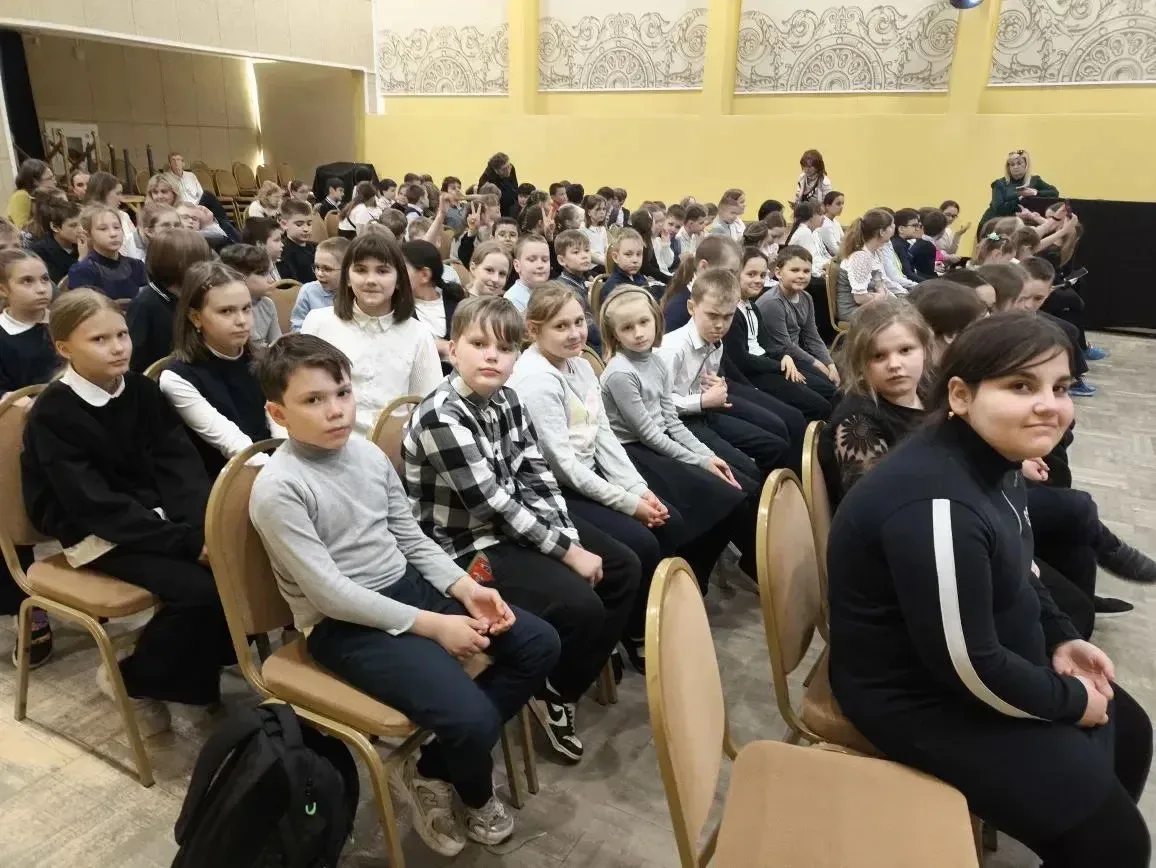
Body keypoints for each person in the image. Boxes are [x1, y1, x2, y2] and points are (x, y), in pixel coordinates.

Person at [828, 312, 1151, 868]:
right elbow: (967, 667)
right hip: (916, 696)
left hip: (969, 658)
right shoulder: (936, 504)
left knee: (1130, 734)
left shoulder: (995, 457)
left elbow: (1022, 564)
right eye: (1021, 386)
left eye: (1060, 387)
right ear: (960, 394)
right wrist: (1072, 702)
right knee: (1116, 842)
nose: (1049, 405)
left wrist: (1061, 636)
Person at [249, 334, 557, 856]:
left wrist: (466, 589)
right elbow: (330, 595)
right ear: (278, 413)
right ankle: (473, 791)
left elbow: (410, 538)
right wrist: (435, 626)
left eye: (342, 393)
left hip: (405, 589)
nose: (335, 410)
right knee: (473, 718)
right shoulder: (279, 488)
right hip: (343, 626)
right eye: (313, 400)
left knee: (538, 643)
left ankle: (431, 768)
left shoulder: (367, 453)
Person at [403, 295, 640, 763]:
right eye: (478, 344)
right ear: (453, 349)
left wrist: (568, 537)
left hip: (510, 528)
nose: (492, 356)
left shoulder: (507, 398)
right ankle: (552, 686)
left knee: (624, 567)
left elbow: (534, 472)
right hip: (463, 548)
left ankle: (559, 685)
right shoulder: (440, 417)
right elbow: (493, 505)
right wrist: (567, 552)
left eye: (505, 348)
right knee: (583, 606)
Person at [22, 289, 235, 734]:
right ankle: (133, 679)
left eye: (121, 334)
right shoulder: (54, 413)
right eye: (99, 340)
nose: (118, 347)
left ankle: (190, 676)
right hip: (96, 532)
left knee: (238, 571)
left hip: (153, 520)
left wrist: (200, 527)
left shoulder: (140, 389)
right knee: (203, 592)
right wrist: (186, 543)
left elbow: (180, 465)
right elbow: (94, 505)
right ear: (65, 348)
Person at [512, 284, 739, 672]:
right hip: (553, 489)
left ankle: (656, 614)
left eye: (578, 322)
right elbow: (564, 466)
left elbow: (603, 437)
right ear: (534, 331)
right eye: (560, 326)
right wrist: (627, 502)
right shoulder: (536, 382)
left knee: (668, 521)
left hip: (588, 474)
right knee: (640, 544)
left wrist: (638, 489)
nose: (575, 333)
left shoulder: (579, 365)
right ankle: (634, 632)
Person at [599, 286, 755, 630]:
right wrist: (698, 462)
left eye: (644, 323)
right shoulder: (620, 372)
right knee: (708, 504)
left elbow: (671, 421)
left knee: (735, 494)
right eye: (627, 328)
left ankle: (695, 578)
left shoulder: (656, 361)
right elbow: (648, 434)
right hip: (634, 453)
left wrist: (708, 456)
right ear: (614, 334)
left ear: (656, 321)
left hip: (661, 443)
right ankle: (680, 588)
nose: (639, 333)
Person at [657, 268, 795, 478]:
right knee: (747, 471)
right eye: (712, 316)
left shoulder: (716, 343)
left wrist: (715, 387)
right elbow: (658, 404)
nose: (720, 325)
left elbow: (704, 381)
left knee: (775, 446)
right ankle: (754, 491)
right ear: (691, 307)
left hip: (705, 412)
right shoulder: (672, 349)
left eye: (728, 316)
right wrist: (702, 400)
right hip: (678, 423)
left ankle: (771, 492)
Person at [301, 233, 440, 436]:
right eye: (360, 270)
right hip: (326, 441)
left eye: (382, 271)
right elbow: (296, 392)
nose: (371, 280)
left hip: (395, 447)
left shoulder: (418, 334)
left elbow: (427, 405)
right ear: (347, 278)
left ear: (399, 281)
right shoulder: (319, 323)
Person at [157, 259, 277, 476]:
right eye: (226, 311)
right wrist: (283, 472)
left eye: (246, 309)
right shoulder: (177, 378)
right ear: (196, 318)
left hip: (276, 462)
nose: (242, 320)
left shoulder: (261, 358)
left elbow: (280, 420)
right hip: (231, 476)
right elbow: (233, 444)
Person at [0, 249, 57, 667]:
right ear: (3, 290)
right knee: (15, 524)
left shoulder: (59, 327)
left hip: (64, 438)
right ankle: (28, 608)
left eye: (45, 279)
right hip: (14, 442)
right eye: (27, 281)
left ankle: (79, 586)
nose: (41, 289)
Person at [754, 245, 840, 409]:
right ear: (778, 273)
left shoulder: (806, 297)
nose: (801, 275)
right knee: (829, 391)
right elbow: (785, 345)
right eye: (794, 270)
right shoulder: (773, 303)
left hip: (799, 356)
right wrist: (818, 365)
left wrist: (829, 364)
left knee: (843, 379)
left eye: (806, 271)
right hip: (781, 360)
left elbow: (812, 336)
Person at [127, 228, 213, 373]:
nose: (206, 268)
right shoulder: (145, 303)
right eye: (199, 262)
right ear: (174, 263)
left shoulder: (200, 294)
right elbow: (135, 360)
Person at [66, 204, 146, 303]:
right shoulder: (82, 271)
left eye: (117, 227)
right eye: (103, 229)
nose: (113, 234)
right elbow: (85, 309)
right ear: (88, 234)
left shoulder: (137, 266)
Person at [402, 239, 463, 368]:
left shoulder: (457, 304)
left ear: (425, 275)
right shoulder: (396, 307)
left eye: (402, 269)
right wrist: (437, 346)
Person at [834, 209, 893, 322]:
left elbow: (880, 285)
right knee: (898, 321)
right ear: (881, 232)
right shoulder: (860, 257)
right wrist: (880, 297)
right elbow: (860, 298)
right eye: (890, 226)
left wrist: (890, 298)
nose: (893, 229)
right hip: (853, 311)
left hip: (870, 305)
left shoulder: (876, 253)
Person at [218, 244, 281, 350]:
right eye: (263, 274)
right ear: (239, 276)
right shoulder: (225, 309)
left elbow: (277, 344)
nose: (272, 280)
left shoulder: (268, 304)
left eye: (271, 273)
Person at [979, 149, 1060, 230]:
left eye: (1019, 163)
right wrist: (1020, 198)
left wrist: (1035, 193)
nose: (1015, 167)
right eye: (1012, 164)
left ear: (1026, 165)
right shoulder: (999, 184)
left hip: (1017, 225)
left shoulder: (1034, 180)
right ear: (1008, 168)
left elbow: (1054, 193)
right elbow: (999, 209)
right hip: (992, 225)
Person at [553, 229, 600, 352]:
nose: (584, 255)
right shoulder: (564, 289)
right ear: (562, 260)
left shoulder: (584, 280)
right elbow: (590, 329)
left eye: (587, 250)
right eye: (576, 252)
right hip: (584, 346)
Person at [289, 236, 349, 332]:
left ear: (347, 270)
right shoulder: (308, 291)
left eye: (327, 269)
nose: (319, 273)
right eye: (317, 267)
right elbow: (298, 326)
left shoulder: (355, 292)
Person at [31, 198, 82, 284]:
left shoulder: (85, 243)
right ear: (54, 227)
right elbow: (60, 284)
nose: (81, 229)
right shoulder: (40, 251)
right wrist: (82, 259)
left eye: (81, 223)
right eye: (73, 226)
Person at [504, 233, 552, 313]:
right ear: (517, 265)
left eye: (545, 260)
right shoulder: (512, 300)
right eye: (532, 260)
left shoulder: (553, 292)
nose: (540, 265)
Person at [601, 229, 650, 299]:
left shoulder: (640, 278)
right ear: (615, 257)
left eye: (638, 254)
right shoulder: (613, 288)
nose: (635, 260)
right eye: (628, 254)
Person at [786, 201, 830, 278]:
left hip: (813, 271)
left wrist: (830, 263)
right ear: (811, 216)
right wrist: (821, 272)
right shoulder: (804, 232)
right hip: (803, 275)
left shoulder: (814, 232)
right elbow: (809, 261)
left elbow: (822, 255)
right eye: (820, 214)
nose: (824, 218)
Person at [7, 159, 55, 228]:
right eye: (49, 179)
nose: (54, 182)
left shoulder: (39, 196)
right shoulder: (21, 195)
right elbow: (22, 228)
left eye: (53, 178)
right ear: (34, 181)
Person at [278, 198, 316, 284]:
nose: (306, 229)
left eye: (309, 224)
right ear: (284, 224)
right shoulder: (283, 252)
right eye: (299, 224)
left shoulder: (316, 247)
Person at [581, 194, 609, 269]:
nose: (602, 212)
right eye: (598, 209)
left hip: (603, 264)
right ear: (589, 212)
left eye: (604, 209)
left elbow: (606, 249)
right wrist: (605, 263)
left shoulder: (602, 228)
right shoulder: (582, 229)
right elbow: (587, 253)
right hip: (591, 267)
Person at [817, 191, 845, 259]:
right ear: (827, 206)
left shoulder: (836, 222)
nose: (841, 207)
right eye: (838, 204)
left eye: (842, 203)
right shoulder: (824, 224)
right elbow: (835, 250)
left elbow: (845, 242)